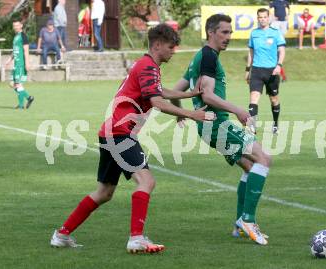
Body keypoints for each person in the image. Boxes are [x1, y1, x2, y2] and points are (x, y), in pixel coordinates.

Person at [50, 24, 216, 253]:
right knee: (146, 182)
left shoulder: (146, 65)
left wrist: (188, 94)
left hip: (111, 132)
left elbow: (160, 92)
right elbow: (157, 102)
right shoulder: (148, 67)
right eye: (170, 47)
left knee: (104, 192)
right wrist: (192, 114)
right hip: (121, 134)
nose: (173, 51)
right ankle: (136, 238)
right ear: (157, 45)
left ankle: (61, 234)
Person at [171, 14, 273, 245]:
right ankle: (248, 219)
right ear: (211, 32)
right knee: (264, 159)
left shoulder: (200, 56)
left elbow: (177, 90)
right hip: (216, 125)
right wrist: (239, 110)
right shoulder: (208, 56)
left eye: (230, 32)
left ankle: (240, 223)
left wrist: (180, 114)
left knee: (249, 166)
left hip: (207, 127)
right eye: (224, 32)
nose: (228, 37)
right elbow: (207, 95)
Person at [245, 8, 286, 135]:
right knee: (254, 98)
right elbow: (251, 52)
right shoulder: (254, 33)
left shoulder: (276, 33)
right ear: (257, 18)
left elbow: (282, 50)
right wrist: (248, 69)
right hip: (257, 70)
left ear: (269, 18)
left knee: (274, 99)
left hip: (271, 71)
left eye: (264, 17)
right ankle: (252, 127)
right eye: (260, 17)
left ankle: (275, 124)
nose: (262, 19)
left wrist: (279, 65)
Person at [4, 20, 34, 109]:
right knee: (12, 84)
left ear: (21, 26)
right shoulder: (16, 37)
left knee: (17, 84)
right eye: (14, 26)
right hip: (16, 64)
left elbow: (26, 50)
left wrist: (27, 63)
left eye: (17, 25)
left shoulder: (23, 36)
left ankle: (21, 106)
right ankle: (29, 97)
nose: (15, 27)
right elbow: (15, 50)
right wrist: (9, 60)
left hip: (21, 64)